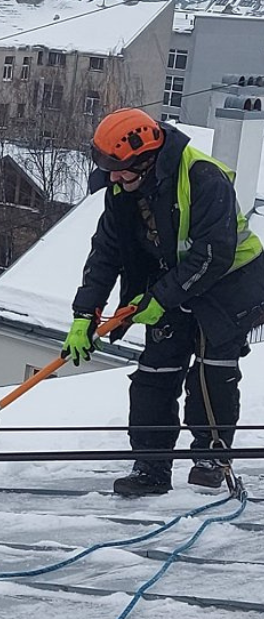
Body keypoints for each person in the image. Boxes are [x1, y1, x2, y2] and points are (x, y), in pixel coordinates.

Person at [62, 108, 264, 496]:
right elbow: (106, 253)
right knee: (153, 375)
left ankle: (211, 459)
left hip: (229, 283)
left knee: (212, 374)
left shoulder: (204, 178)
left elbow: (213, 254)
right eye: (108, 169)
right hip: (173, 279)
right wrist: (84, 314)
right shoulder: (123, 191)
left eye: (120, 170)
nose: (113, 178)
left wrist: (159, 299)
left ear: (148, 158)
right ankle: (150, 468)